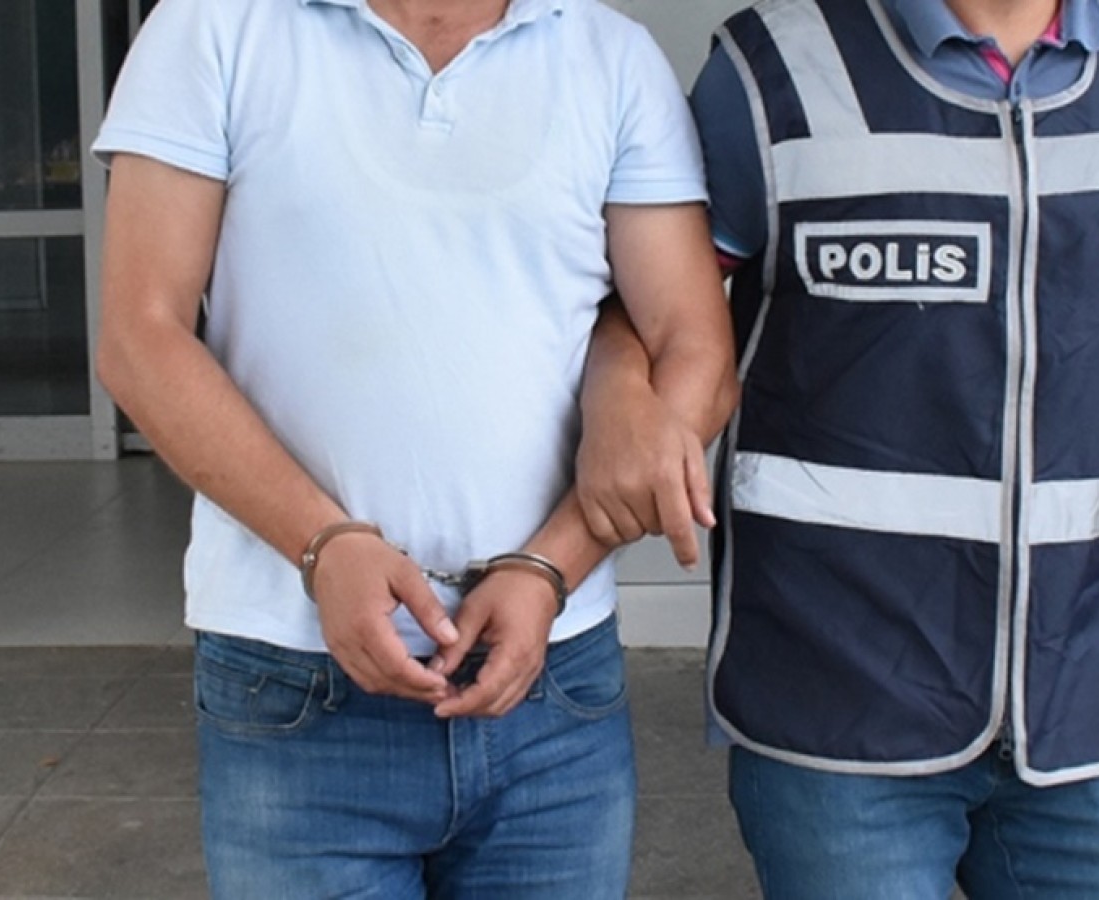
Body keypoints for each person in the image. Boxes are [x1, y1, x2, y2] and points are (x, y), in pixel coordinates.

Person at [575, 0, 1099, 896]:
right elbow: (655, 306)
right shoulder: (774, 66)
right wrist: (615, 387)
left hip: (1097, 696)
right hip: (839, 699)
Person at [92, 0, 736, 895]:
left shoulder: (610, 56)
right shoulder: (217, 25)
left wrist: (550, 569)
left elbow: (692, 348)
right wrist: (323, 545)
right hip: (294, 676)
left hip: (552, 684)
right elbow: (140, 335)